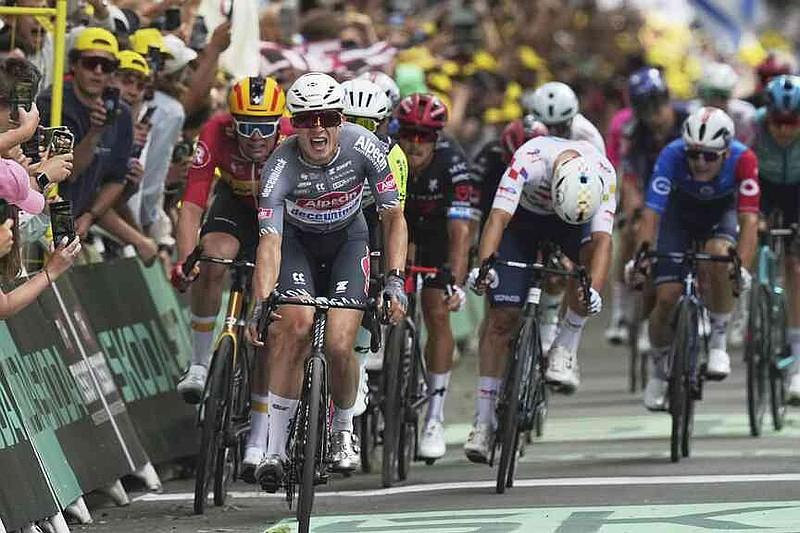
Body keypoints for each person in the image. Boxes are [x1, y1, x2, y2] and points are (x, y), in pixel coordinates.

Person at [245, 72, 407, 488]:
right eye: (306, 120)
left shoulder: (364, 146)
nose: (317, 128)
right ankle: (275, 449)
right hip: (297, 244)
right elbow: (270, 242)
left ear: (340, 120)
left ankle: (342, 431)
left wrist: (394, 280)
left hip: (348, 243)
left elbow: (392, 217)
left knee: (339, 343)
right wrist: (262, 302)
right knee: (293, 327)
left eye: (327, 118)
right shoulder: (279, 165)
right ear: (293, 123)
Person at [463, 135, 616, 463]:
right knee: (502, 317)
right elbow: (498, 219)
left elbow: (602, 241)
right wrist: (485, 266)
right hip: (523, 224)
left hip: (574, 228)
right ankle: (484, 421)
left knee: (584, 278)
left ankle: (566, 346)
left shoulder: (604, 175)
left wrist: (593, 293)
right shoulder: (529, 160)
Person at [171, 76, 286, 481]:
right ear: (231, 121)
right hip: (235, 209)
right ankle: (200, 364)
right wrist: (187, 259)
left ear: (280, 122)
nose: (256, 137)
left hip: (281, 219)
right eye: (246, 126)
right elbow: (191, 204)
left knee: (270, 330)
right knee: (213, 259)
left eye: (265, 127)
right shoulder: (215, 131)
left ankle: (259, 434)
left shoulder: (292, 136)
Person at [630, 107, 759, 411]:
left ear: (726, 153)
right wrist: (641, 258)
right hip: (680, 214)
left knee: (720, 256)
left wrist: (741, 267)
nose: (700, 163)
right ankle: (660, 372)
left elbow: (750, 222)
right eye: (694, 154)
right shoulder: (671, 155)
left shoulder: (745, 159)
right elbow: (651, 213)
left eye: (710, 156)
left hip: (721, 213)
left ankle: (717, 340)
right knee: (666, 297)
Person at [394, 92, 479, 461]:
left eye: (424, 136)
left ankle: (435, 415)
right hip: (397, 229)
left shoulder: (453, 164)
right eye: (408, 133)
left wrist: (453, 282)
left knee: (436, 310)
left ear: (437, 138)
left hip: (437, 235)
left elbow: (460, 233)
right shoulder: (386, 155)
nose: (414, 144)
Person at [606, 67, 688, 345]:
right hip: (645, 188)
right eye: (644, 108)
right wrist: (632, 214)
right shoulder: (634, 131)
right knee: (631, 234)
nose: (654, 115)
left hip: (682, 192)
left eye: (657, 105)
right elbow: (629, 179)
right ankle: (621, 310)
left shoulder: (687, 120)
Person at [340, 78, 408, 411]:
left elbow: (394, 219)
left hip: (370, 216)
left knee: (371, 279)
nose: (357, 132)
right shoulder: (320, 146)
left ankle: (361, 365)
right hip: (329, 214)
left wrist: (392, 280)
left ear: (382, 124)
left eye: (366, 125)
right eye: (350, 122)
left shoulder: (393, 156)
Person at [753, 75, 800, 404]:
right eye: (777, 123)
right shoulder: (753, 127)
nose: (784, 131)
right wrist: (752, 215)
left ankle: (797, 354)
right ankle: (753, 298)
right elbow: (741, 171)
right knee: (753, 234)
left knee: (796, 266)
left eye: (792, 123)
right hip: (764, 188)